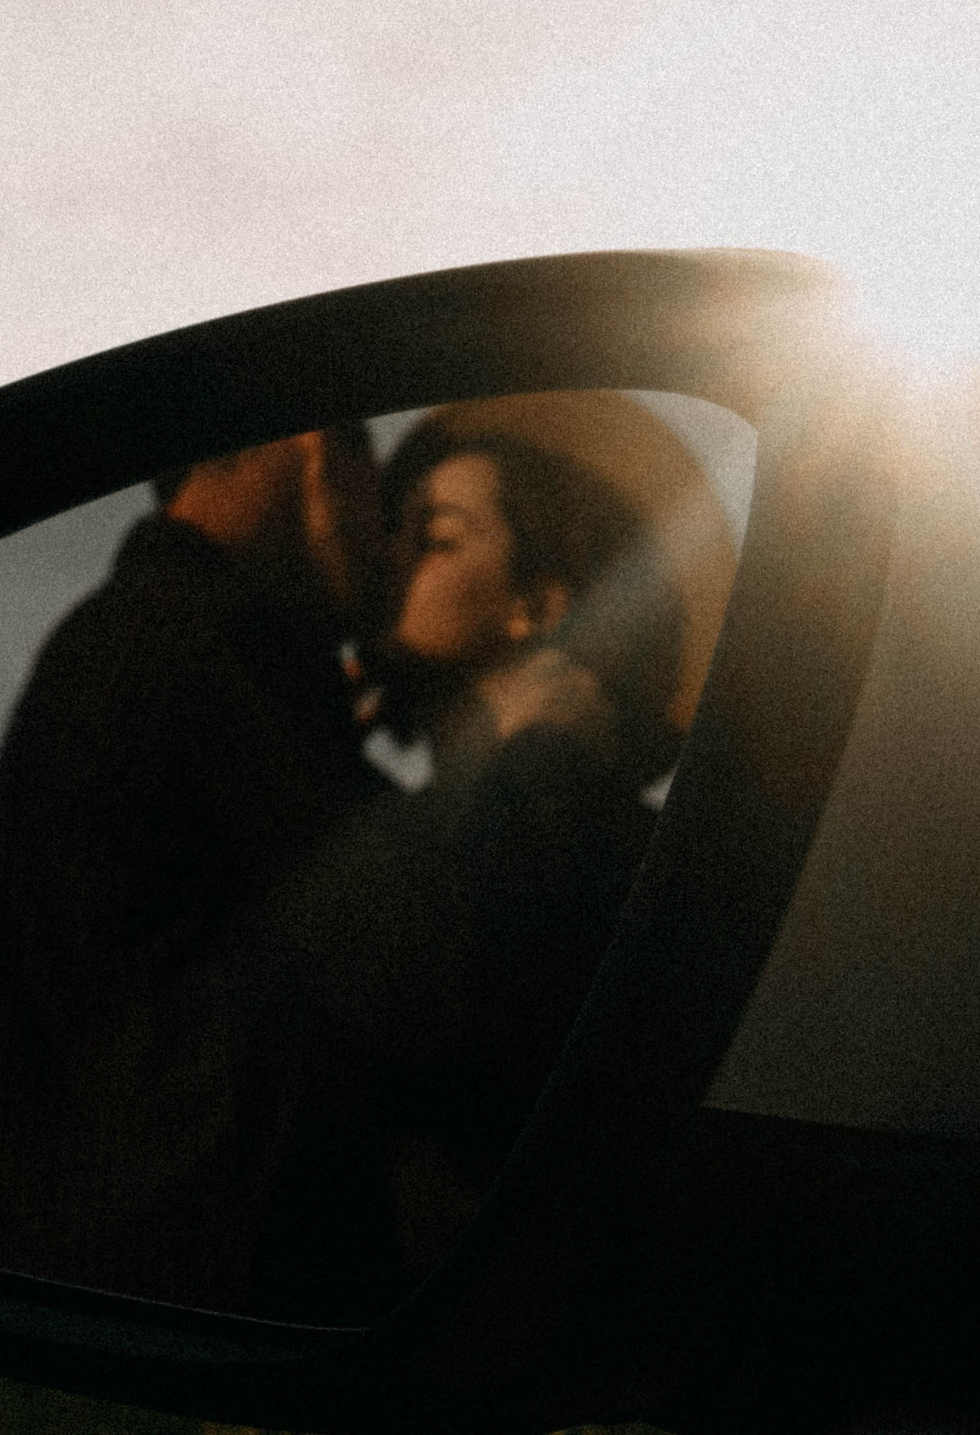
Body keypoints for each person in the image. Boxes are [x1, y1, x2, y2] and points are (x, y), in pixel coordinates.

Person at [0, 425, 392, 1312]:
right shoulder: (220, 638)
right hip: (201, 1297)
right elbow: (424, 960)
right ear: (315, 455)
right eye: (377, 482)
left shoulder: (128, 630)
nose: (387, 544)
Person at [281, 424, 688, 1278]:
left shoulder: (622, 848)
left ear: (536, 607)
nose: (389, 558)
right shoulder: (365, 813)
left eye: (434, 538)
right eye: (392, 533)